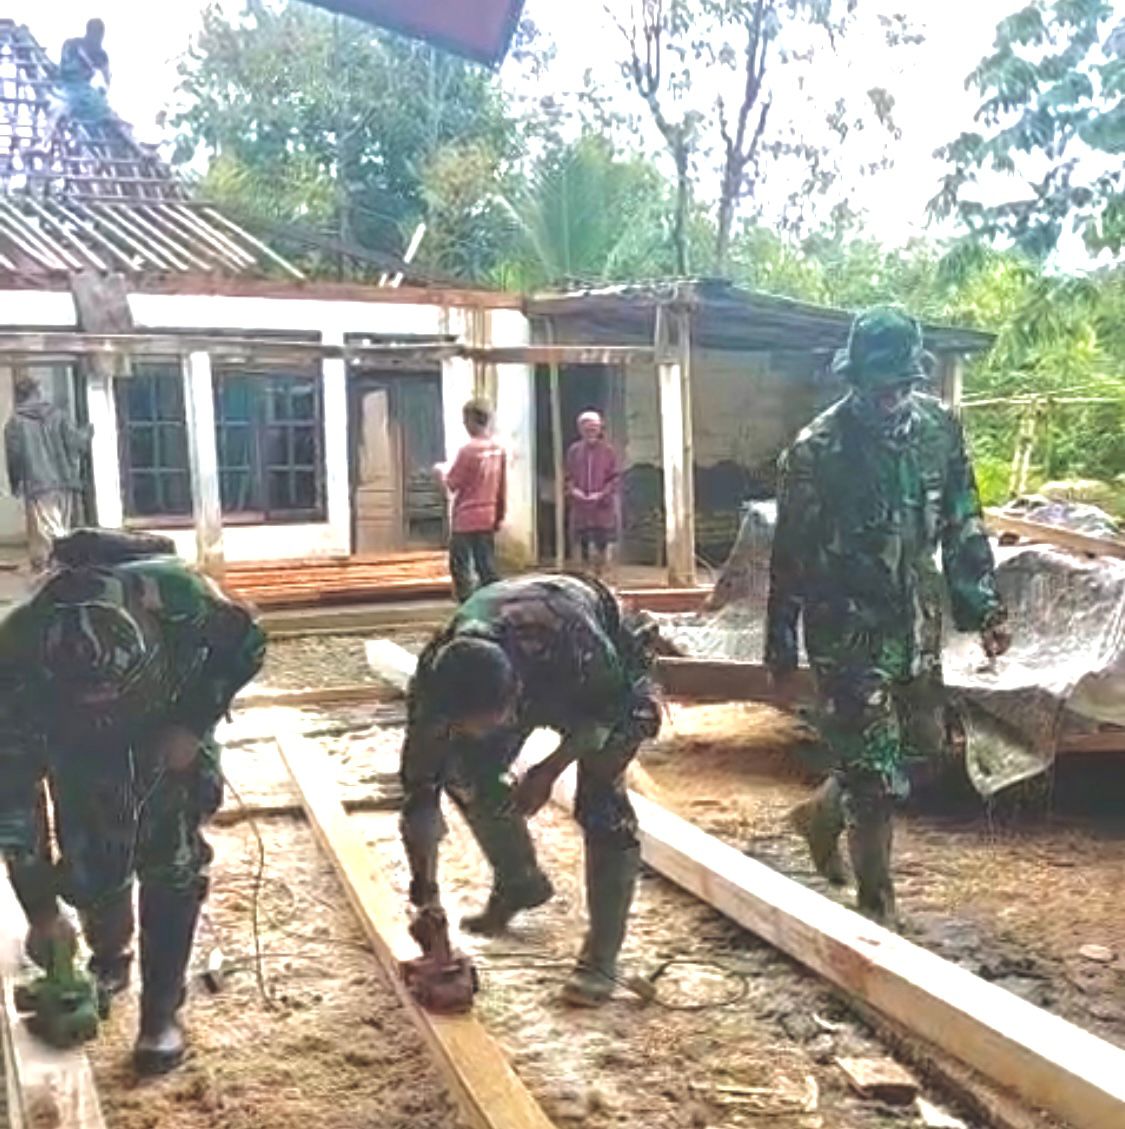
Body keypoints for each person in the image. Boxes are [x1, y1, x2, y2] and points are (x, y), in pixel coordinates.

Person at [765, 307, 1010, 925]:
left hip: (916, 621)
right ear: (854, 378)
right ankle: (878, 910)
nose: (890, 397)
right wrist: (780, 642)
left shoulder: (940, 430)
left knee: (922, 750)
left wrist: (984, 606)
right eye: (878, 385)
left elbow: (963, 519)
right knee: (872, 778)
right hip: (845, 629)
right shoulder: (816, 450)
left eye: (901, 384)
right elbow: (790, 552)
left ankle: (821, 813)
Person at [0, 529, 266, 1073]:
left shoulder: (177, 595)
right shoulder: (14, 661)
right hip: (79, 760)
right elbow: (13, 801)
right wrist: (42, 912)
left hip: (164, 740)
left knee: (172, 868)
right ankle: (109, 954)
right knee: (92, 873)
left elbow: (247, 643)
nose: (103, 701)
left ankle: (160, 1015)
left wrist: (192, 721)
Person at [399, 573, 662, 1005]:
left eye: (491, 722)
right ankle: (518, 881)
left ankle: (601, 959)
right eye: (467, 725)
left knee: (601, 800)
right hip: (520, 672)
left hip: (607, 672)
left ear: (516, 695)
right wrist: (426, 899)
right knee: (466, 771)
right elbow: (419, 795)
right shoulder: (434, 685)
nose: (482, 732)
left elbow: (609, 711)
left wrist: (548, 770)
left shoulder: (572, 643)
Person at [4, 373, 92, 572]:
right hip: (65, 482)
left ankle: (56, 568)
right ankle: (60, 566)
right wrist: (87, 432)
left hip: (38, 483)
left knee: (48, 531)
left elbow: (14, 457)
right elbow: (75, 443)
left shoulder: (15, 423)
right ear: (38, 392)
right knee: (60, 527)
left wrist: (16, 483)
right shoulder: (58, 415)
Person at [434, 399, 506, 602]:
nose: (465, 424)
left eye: (466, 420)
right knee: (487, 565)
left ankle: (467, 606)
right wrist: (499, 515)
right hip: (488, 514)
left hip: (466, 517)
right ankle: (495, 604)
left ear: (472, 420)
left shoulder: (468, 451)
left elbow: (452, 483)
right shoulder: (498, 449)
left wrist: (440, 473)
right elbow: (502, 487)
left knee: (461, 567)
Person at [565, 410, 620, 578]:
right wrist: (574, 491)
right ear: (581, 430)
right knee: (581, 544)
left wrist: (602, 494)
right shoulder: (574, 451)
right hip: (581, 507)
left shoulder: (608, 451)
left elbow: (615, 478)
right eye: (587, 429)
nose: (591, 433)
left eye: (595, 429)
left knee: (602, 543)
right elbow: (568, 477)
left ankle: (600, 575)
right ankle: (584, 575)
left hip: (602, 507)